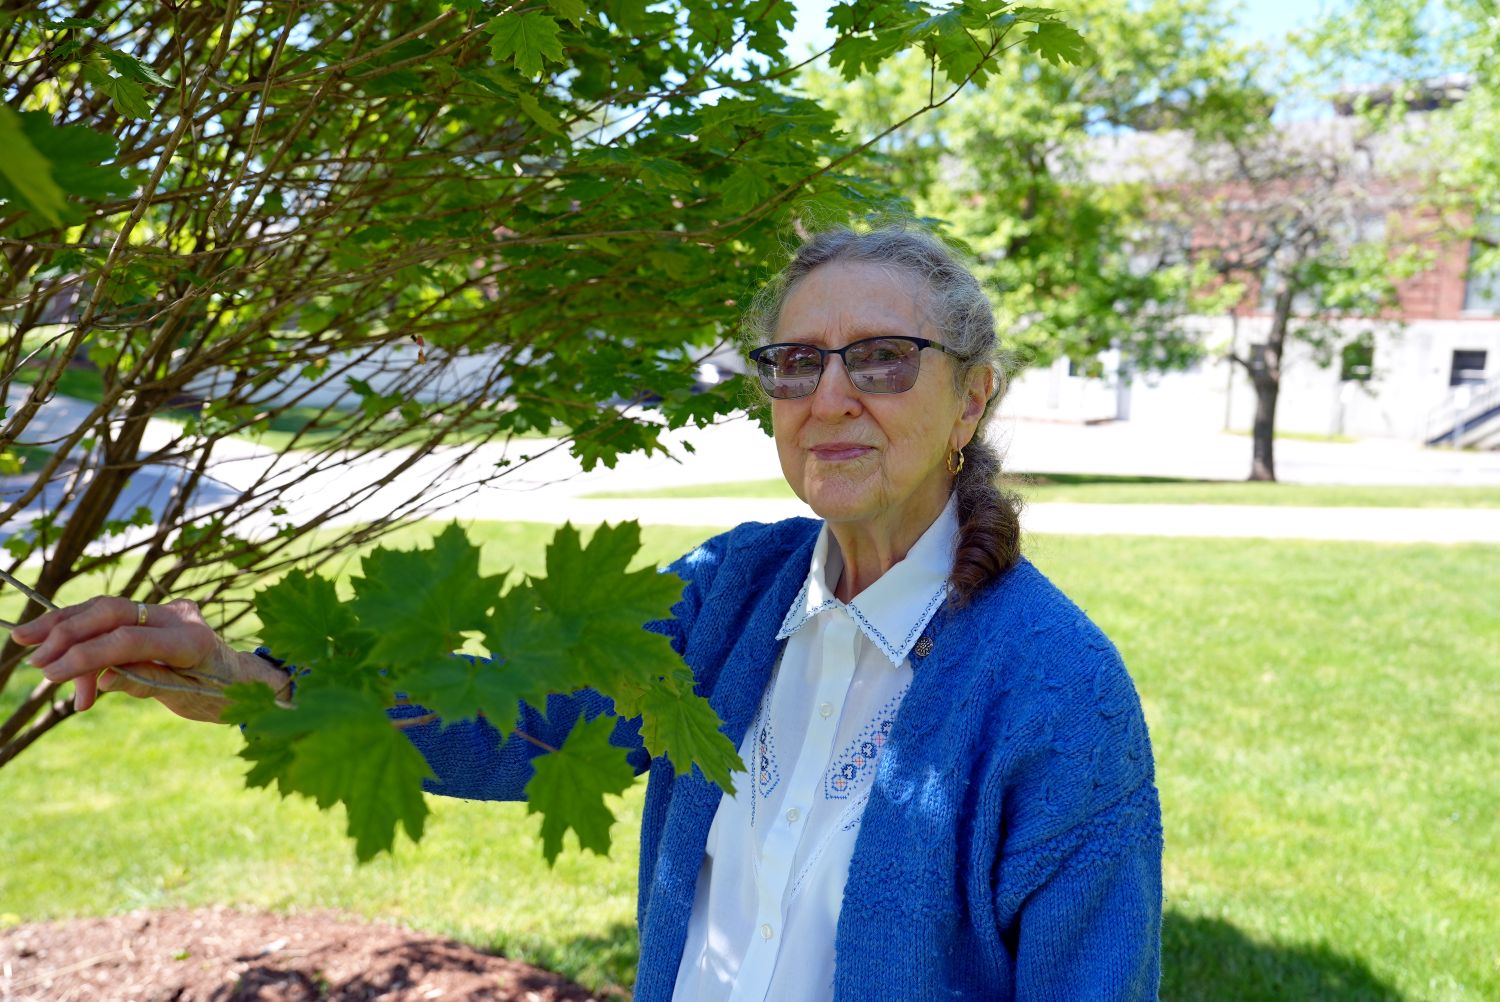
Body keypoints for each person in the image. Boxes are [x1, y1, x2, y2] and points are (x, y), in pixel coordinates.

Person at [14, 225, 1162, 1001]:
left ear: (972, 398)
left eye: (884, 360)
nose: (830, 398)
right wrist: (249, 683)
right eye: (795, 363)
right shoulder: (729, 595)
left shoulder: (1054, 690)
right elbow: (518, 723)